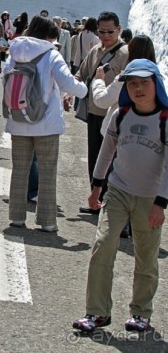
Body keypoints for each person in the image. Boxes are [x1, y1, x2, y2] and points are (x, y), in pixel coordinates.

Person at [73, 59, 168, 334]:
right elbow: (107, 150)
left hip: (150, 199)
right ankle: (96, 312)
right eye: (133, 83)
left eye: (144, 83)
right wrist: (96, 187)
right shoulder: (121, 114)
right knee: (102, 246)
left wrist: (161, 204)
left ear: (156, 84)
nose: (138, 88)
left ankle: (141, 313)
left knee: (146, 256)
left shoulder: (164, 119)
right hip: (117, 191)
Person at [5, 15, 87, 231]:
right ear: (50, 37)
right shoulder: (51, 55)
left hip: (19, 119)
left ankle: (16, 217)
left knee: (20, 169)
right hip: (46, 123)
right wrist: (85, 89)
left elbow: (5, 76)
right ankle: (47, 221)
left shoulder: (14, 51)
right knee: (48, 172)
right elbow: (67, 83)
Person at [91, 34, 157, 237]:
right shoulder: (156, 78)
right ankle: (134, 222)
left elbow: (102, 100)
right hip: (148, 136)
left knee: (118, 179)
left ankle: (120, 222)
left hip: (122, 133)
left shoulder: (126, 77)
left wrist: (99, 81)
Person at [76, 11, 128, 214]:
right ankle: (95, 200)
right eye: (101, 32)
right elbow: (82, 72)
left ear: (119, 30)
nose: (105, 36)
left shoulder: (125, 54)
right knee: (95, 158)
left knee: (112, 161)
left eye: (110, 31)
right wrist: (70, 91)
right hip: (94, 112)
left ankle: (111, 204)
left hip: (114, 115)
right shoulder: (96, 49)